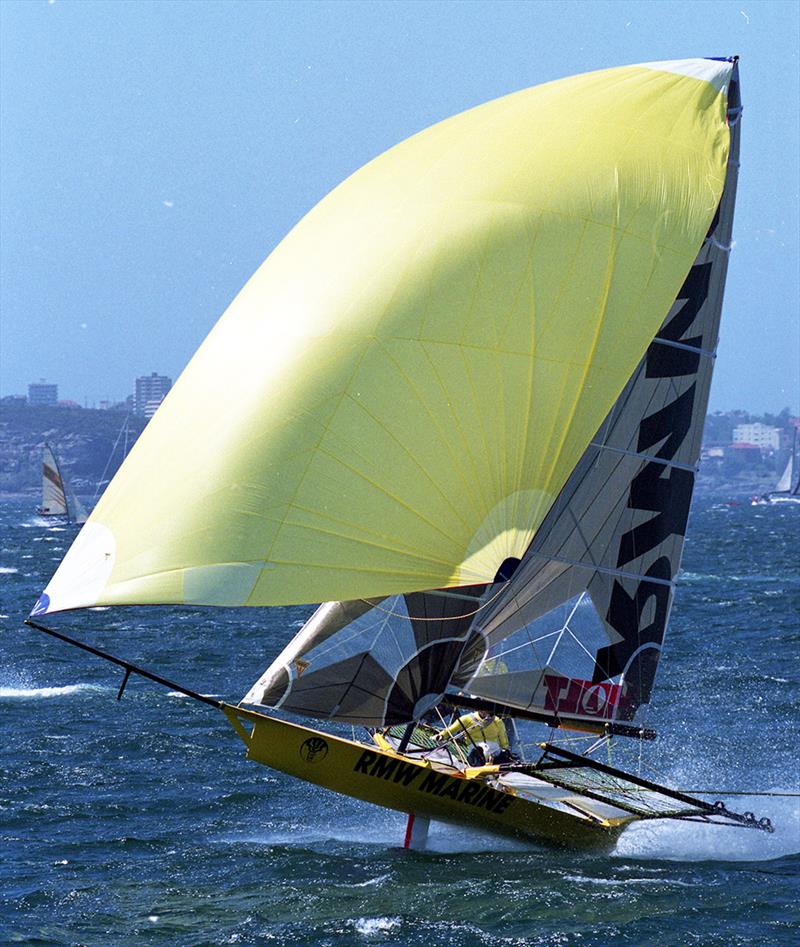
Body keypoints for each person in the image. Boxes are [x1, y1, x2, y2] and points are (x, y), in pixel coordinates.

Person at [435, 709, 511, 766]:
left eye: (487, 710)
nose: (484, 712)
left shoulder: (498, 721)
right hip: (476, 750)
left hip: (494, 751)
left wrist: (505, 749)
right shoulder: (466, 719)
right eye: (482, 709)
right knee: (481, 750)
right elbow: (450, 730)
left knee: (506, 760)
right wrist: (441, 735)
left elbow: (503, 738)